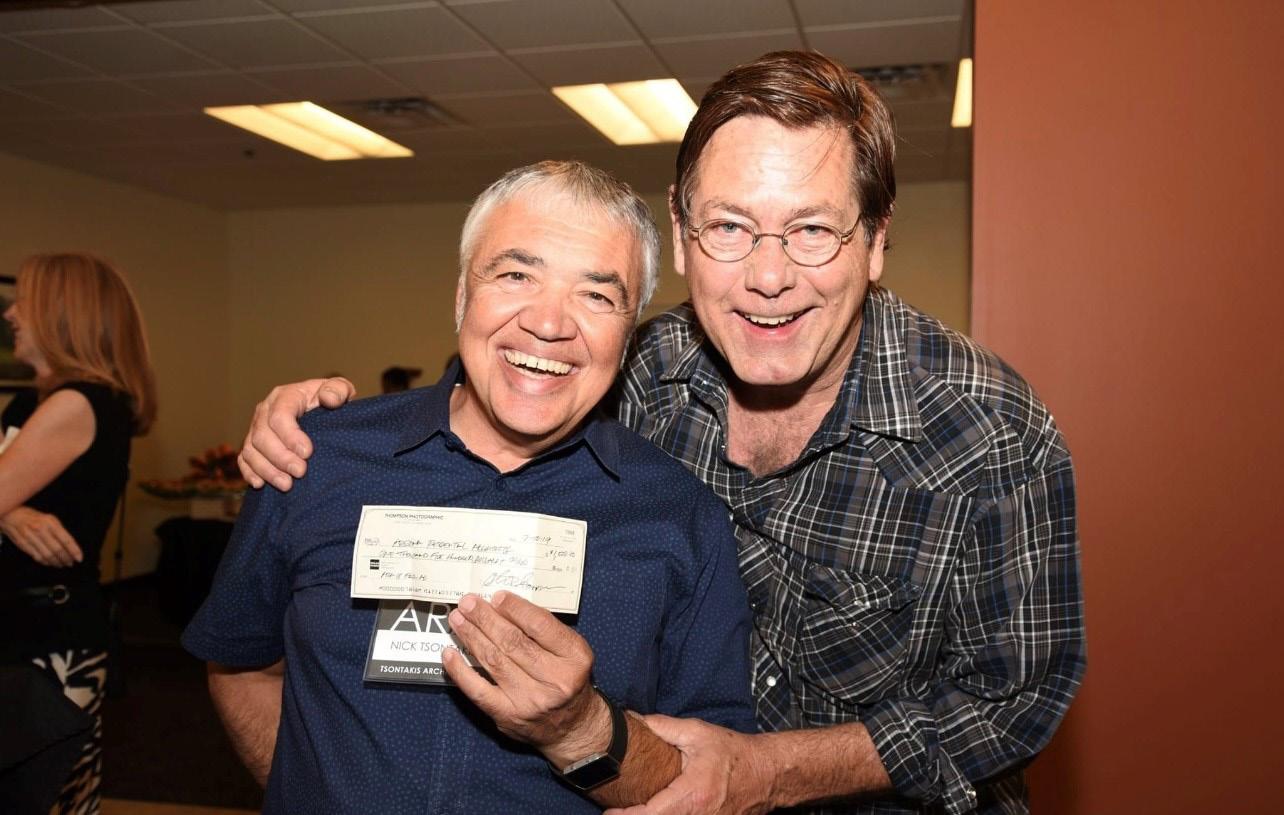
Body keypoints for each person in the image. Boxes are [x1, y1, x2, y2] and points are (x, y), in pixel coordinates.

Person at [238, 51, 1085, 815]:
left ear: (874, 241)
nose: (767, 275)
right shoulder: (636, 369)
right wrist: (317, 419)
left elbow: (1016, 704)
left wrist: (767, 772)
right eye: (730, 226)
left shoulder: (989, 433)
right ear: (682, 234)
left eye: (813, 229)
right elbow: (501, 385)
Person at [183, 161, 755, 814]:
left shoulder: (681, 517)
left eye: (597, 296)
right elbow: (242, 666)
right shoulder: (314, 458)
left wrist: (580, 728)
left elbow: (705, 779)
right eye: (516, 275)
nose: (549, 322)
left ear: (627, 335)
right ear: (462, 296)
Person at [0, 252, 157, 814]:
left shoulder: (80, 403)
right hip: (26, 627)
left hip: (48, 637)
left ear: (62, 313)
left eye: (25, 301)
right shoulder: (32, 402)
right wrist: (11, 513)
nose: (11, 313)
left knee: (49, 794)